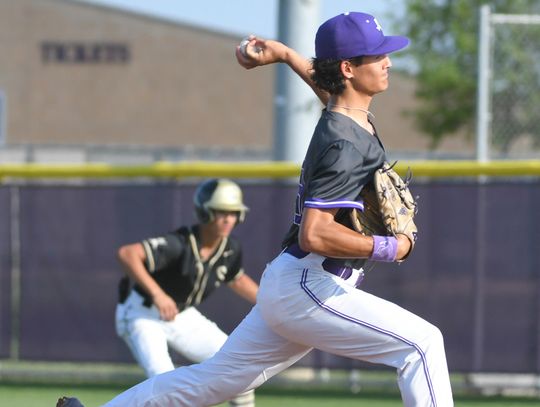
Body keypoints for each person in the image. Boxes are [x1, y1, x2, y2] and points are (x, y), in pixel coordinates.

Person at [57, 11, 454, 407]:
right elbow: (314, 233)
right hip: (310, 287)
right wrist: (392, 247)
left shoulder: (347, 117)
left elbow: (329, 88)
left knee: (212, 382)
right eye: (377, 56)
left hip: (293, 284)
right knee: (422, 344)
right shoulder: (343, 144)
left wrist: (283, 54)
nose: (388, 62)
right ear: (349, 68)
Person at [114, 178, 258, 407]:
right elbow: (127, 254)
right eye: (220, 212)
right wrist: (158, 294)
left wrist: (269, 303)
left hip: (181, 315)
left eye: (233, 213)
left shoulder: (230, 248)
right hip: (143, 315)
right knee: (165, 384)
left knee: (238, 368)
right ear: (205, 212)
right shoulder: (179, 243)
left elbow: (236, 279)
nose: (228, 219)